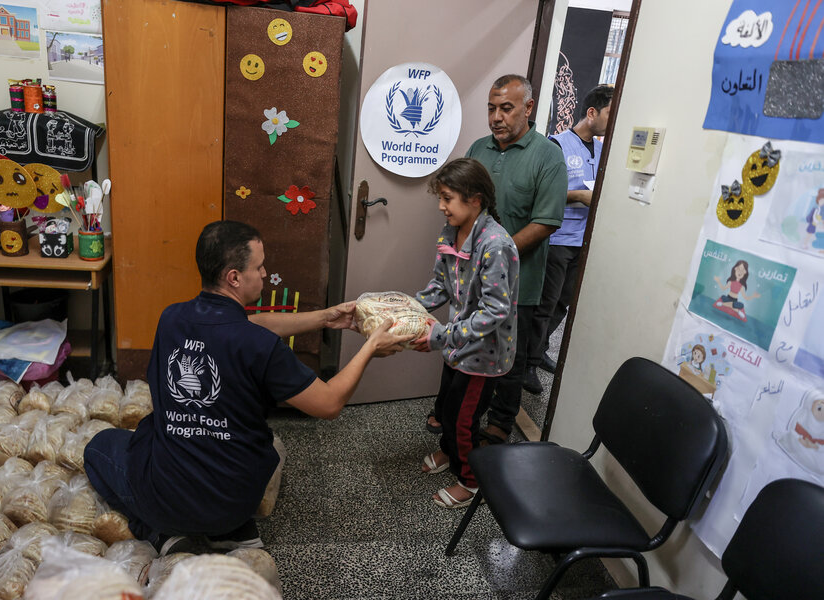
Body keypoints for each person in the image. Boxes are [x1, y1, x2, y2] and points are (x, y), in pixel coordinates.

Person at [84, 220, 412, 555]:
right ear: (234, 277)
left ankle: (162, 533)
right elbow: (329, 404)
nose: (266, 273)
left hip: (170, 496)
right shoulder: (259, 346)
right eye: (259, 266)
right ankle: (228, 531)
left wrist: (325, 318)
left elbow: (245, 325)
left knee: (100, 446)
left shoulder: (171, 319)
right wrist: (370, 346)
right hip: (235, 502)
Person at [437, 74, 566, 446]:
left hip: (517, 283)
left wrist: (492, 254)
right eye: (491, 108)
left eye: (506, 108)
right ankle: (449, 411)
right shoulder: (479, 148)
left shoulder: (548, 156)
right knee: (463, 347)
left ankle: (500, 423)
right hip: (470, 278)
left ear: (528, 108)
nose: (496, 117)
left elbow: (545, 222)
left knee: (508, 357)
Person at [413, 158, 519, 508]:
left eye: (447, 198)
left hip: (483, 355)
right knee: (446, 406)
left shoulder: (496, 245)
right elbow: (440, 285)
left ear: (475, 199)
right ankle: (449, 453)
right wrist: (408, 310)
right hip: (457, 345)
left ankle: (471, 481)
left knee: (463, 419)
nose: (441, 206)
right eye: (440, 198)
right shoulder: (451, 232)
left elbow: (495, 310)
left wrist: (439, 336)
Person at [525, 85, 614, 393]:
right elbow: (542, 194)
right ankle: (527, 364)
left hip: (583, 240)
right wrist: (578, 195)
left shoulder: (604, 149)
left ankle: (540, 351)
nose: (612, 120)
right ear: (591, 113)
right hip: (559, 238)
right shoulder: (557, 145)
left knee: (563, 303)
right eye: (608, 113)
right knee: (546, 303)